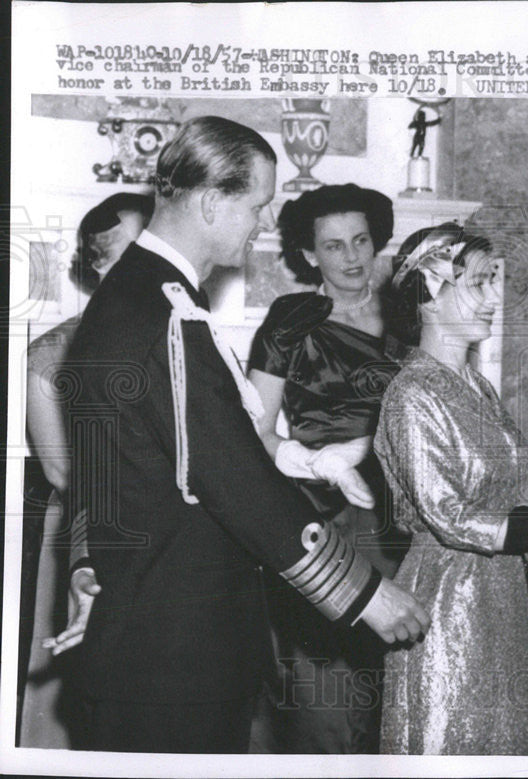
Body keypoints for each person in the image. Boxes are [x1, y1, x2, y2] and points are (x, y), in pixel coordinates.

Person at [58, 116, 429, 753]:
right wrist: (362, 593)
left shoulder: (142, 297)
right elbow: (231, 475)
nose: (261, 223)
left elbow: (130, 459)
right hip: (177, 652)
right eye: (256, 205)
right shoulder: (163, 314)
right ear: (211, 202)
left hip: (155, 633)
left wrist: (97, 567)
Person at [375, 223, 528, 755]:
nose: (495, 297)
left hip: (502, 593)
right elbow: (447, 513)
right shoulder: (411, 392)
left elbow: (500, 492)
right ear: (428, 291)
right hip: (446, 602)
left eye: (495, 281)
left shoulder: (477, 384)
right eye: (478, 283)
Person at [247, 183, 404, 753]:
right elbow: (255, 433)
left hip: (403, 517)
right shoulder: (291, 318)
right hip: (324, 521)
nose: (352, 256)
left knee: (398, 691)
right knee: (326, 700)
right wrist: (313, 461)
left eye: (361, 240)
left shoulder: (407, 313)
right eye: (334, 246)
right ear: (309, 255)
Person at [20, 193, 152, 746]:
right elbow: (62, 472)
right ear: (96, 266)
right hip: (90, 535)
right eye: (132, 254)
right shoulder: (53, 355)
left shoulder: (187, 335)